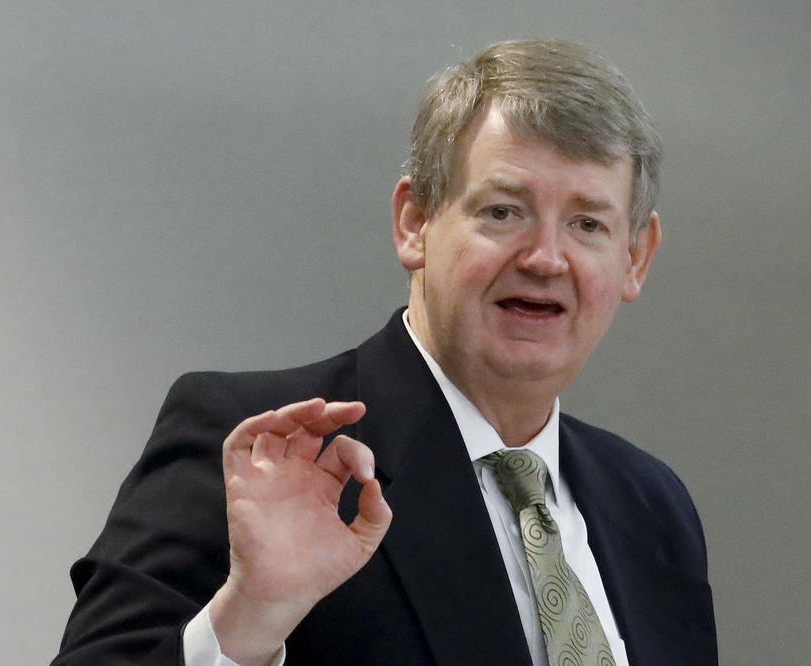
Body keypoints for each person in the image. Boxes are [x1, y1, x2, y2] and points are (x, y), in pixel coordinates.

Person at [52, 39, 717, 665]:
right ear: (414, 222)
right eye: (502, 212)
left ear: (635, 258)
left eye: (588, 225)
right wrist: (250, 616)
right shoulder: (269, 451)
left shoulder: (652, 505)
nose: (545, 258)